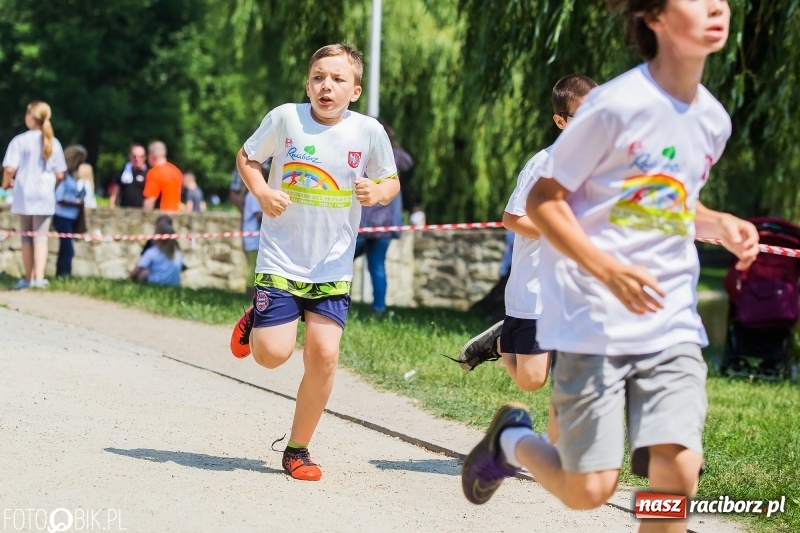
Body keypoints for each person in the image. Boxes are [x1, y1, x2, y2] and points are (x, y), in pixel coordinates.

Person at [461, 5, 760, 533]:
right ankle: (509, 439)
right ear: (655, 18)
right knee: (588, 489)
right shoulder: (612, 107)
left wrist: (719, 223)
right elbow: (545, 200)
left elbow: (670, 202)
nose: (717, 7)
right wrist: (606, 269)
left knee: (678, 471)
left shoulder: (713, 119)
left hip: (670, 322)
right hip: (592, 321)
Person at [228, 42, 399, 482]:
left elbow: (391, 179)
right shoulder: (286, 118)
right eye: (319, 77)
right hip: (282, 259)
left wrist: (378, 193)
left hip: (333, 265)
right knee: (271, 355)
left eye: (338, 79)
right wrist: (263, 192)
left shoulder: (368, 131)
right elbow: (247, 159)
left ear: (355, 90)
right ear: (308, 84)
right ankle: (258, 321)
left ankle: (297, 450)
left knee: (324, 355)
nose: (327, 86)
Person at [452, 75, 597, 445]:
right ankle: (502, 342)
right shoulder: (544, 164)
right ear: (561, 121)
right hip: (535, 291)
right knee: (532, 379)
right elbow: (512, 219)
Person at [1, 101, 67, 289]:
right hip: (44, 194)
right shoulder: (53, 142)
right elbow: (60, 173)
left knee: (26, 236)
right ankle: (39, 277)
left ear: (30, 118)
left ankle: (28, 278)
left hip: (23, 192)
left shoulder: (20, 140)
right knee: (41, 236)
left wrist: (5, 185)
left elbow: (9, 168)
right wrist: (51, 186)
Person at [353, 121, 411, 315]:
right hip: (383, 225)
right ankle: (379, 308)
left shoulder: (361, 151)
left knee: (342, 263)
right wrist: (392, 143)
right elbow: (407, 161)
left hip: (362, 222)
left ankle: (336, 303)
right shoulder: (393, 155)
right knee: (377, 267)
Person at [53, 145, 88, 277]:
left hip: (71, 217)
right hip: (62, 216)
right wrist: (75, 203)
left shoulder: (72, 178)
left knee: (65, 249)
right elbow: (59, 197)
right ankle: (63, 275)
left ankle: (63, 274)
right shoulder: (64, 178)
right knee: (68, 249)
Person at [129, 215, 183, 287]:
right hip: (174, 287)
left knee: (144, 273)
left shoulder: (152, 253)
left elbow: (135, 272)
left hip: (154, 284)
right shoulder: (178, 254)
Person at [143, 141, 183, 213]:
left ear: (152, 155)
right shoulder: (177, 171)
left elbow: (150, 200)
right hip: (176, 215)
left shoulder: (154, 173)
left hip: (161, 217)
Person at [110, 144, 148, 208]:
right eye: (134, 156)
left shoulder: (149, 174)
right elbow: (115, 193)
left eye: (141, 156)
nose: (137, 159)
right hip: (124, 210)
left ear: (145, 157)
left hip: (141, 211)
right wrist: (112, 206)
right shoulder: (123, 173)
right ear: (130, 156)